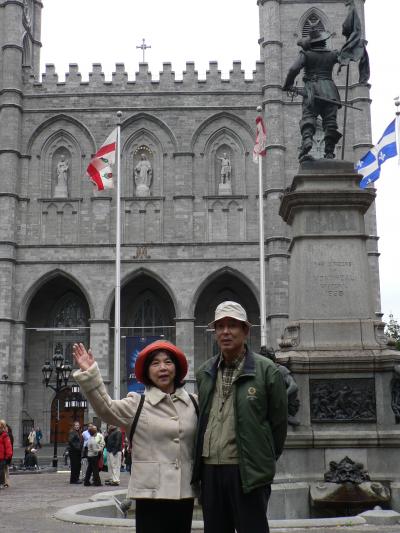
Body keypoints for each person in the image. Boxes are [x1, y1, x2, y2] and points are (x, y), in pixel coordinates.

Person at [73, 339, 198, 533]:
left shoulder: (194, 403)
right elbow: (106, 408)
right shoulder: (137, 404)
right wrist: (90, 374)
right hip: (150, 494)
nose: (163, 368)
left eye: (168, 362)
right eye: (155, 363)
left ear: (177, 367)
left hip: (184, 493)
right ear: (147, 371)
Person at [192, 301, 288, 533]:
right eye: (220, 326)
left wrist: (261, 457)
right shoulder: (205, 372)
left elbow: (278, 425)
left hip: (247, 471)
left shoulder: (267, 371)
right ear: (215, 332)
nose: (225, 332)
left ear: (245, 331)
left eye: (232, 325)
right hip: (210, 470)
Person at [282, 24, 342, 161]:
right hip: (330, 92)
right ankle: (329, 152)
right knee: (330, 122)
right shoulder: (333, 54)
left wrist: (288, 85)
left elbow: (293, 69)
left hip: (312, 92)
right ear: (323, 41)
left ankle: (307, 140)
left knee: (308, 118)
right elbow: (345, 57)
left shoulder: (306, 54)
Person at [0, 420, 12, 489]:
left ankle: (2, 483)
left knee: (1, 471)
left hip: (2, 457)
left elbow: (8, 446)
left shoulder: (5, 435)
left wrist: (8, 456)